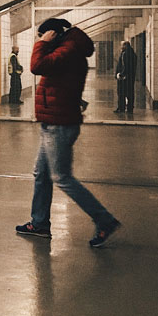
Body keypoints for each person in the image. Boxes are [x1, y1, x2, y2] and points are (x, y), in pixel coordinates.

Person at [16, 18, 122, 247]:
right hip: (53, 122)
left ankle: (104, 220)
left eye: (45, 35)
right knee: (41, 173)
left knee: (62, 177)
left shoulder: (69, 51)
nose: (42, 40)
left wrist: (42, 44)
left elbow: (36, 66)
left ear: (54, 34)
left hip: (60, 124)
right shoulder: (69, 49)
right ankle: (39, 223)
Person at [114, 40, 136, 114]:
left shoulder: (125, 54)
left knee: (121, 93)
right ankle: (130, 108)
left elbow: (125, 66)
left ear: (125, 46)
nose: (121, 47)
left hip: (124, 77)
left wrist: (121, 74)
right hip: (130, 77)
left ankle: (121, 108)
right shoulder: (132, 53)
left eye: (122, 45)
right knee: (130, 93)